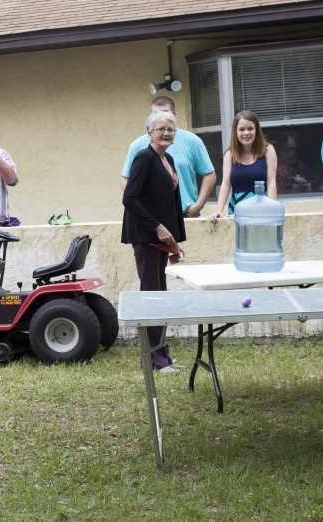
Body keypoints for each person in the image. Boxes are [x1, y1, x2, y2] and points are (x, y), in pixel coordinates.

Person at [121, 111, 186, 375]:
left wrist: (174, 237)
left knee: (160, 295)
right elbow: (130, 198)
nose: (167, 133)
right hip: (147, 237)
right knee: (151, 296)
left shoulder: (167, 158)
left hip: (162, 237)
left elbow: (170, 202)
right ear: (149, 133)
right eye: (161, 129)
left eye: (171, 129)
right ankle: (154, 360)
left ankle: (163, 357)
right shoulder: (144, 157)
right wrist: (157, 228)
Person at [120, 97, 216, 217]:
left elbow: (209, 174)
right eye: (155, 114)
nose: (160, 117)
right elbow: (126, 179)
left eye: (165, 112)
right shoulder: (138, 145)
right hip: (152, 216)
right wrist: (140, 209)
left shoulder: (192, 141)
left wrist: (198, 206)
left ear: (174, 115)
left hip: (185, 214)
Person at [207, 111, 278, 222]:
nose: (246, 133)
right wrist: (219, 210)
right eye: (241, 129)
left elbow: (271, 182)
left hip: (263, 209)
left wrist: (272, 210)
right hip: (237, 211)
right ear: (235, 131)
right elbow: (225, 184)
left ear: (256, 130)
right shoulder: (229, 154)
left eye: (250, 128)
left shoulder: (268, 150)